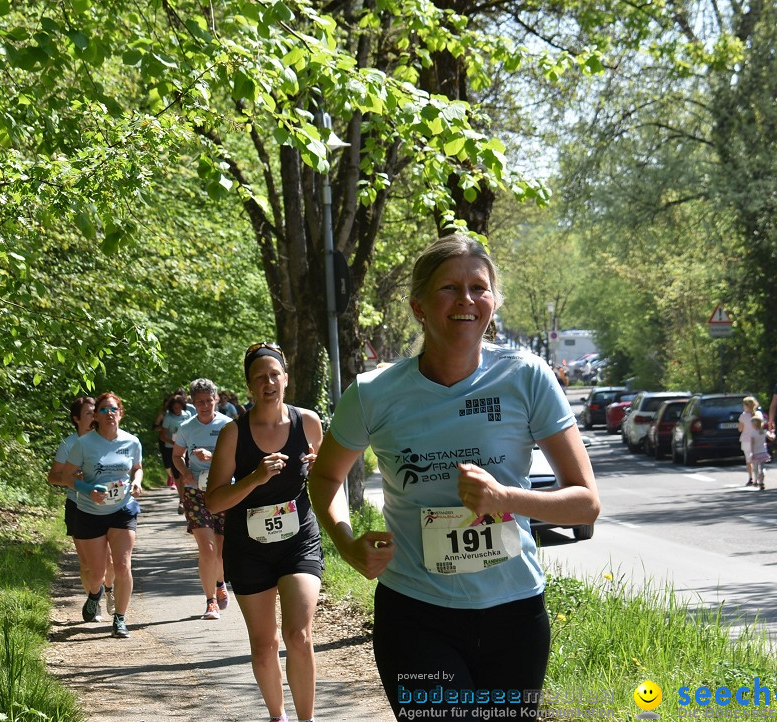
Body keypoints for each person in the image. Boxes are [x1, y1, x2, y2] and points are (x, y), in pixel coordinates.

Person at [307, 233, 600, 721]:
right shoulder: (375, 393)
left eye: (478, 288)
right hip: (416, 615)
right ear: (418, 306)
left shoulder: (526, 376)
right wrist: (345, 542)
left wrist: (504, 496)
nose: (466, 300)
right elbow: (324, 479)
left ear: (493, 302)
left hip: (515, 614)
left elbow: (585, 503)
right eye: (449, 288)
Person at [206, 342, 325, 722]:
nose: (269, 382)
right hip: (248, 548)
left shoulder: (308, 422)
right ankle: (278, 716)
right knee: (263, 644)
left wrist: (319, 465)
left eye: (274, 374)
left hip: (298, 541)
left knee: (298, 634)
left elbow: (326, 477)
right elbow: (214, 502)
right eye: (260, 378)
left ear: (286, 379)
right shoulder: (233, 434)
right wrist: (255, 478)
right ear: (249, 387)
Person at [61, 392, 143, 638]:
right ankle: (95, 594)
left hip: (123, 509)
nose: (109, 413)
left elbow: (137, 468)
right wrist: (88, 489)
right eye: (104, 410)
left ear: (120, 413)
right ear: (95, 415)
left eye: (114, 409)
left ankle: (119, 619)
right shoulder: (84, 444)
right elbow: (67, 476)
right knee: (96, 573)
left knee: (122, 565)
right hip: (90, 511)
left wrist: (137, 483)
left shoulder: (132, 442)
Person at [47, 396, 118, 618]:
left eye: (94, 412)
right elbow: (53, 477)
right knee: (87, 562)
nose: (94, 416)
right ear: (76, 419)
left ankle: (109, 591)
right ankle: (93, 600)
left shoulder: (109, 440)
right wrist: (75, 477)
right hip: (78, 505)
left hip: (109, 505)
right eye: (88, 413)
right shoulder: (69, 444)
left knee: (111, 559)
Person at [172, 378, 232, 621]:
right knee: (207, 548)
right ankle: (210, 603)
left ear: (216, 400)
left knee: (219, 549)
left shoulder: (229, 426)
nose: (205, 406)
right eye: (200, 402)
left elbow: (238, 457)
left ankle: (220, 582)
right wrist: (186, 474)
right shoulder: (187, 428)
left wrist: (213, 457)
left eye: (209, 401)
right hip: (196, 493)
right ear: (193, 403)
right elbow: (177, 456)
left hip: (224, 490)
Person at [161, 394, 194, 513]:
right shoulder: (168, 418)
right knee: (178, 475)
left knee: (187, 473)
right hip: (172, 449)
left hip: (187, 448)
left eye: (179, 407)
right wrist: (174, 442)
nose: (177, 410)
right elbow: (163, 436)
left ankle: (188, 498)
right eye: (175, 408)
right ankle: (181, 499)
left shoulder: (188, 415)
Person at [738, 396, 761, 486]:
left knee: (749, 460)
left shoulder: (743, 416)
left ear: (746, 406)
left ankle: (751, 478)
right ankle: (758, 477)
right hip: (757, 440)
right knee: (758, 459)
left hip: (746, 440)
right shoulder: (759, 414)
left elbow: (740, 429)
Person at [747, 413, 772, 491]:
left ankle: (756, 480)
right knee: (762, 467)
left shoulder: (752, 433)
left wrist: (751, 452)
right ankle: (762, 479)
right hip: (763, 452)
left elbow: (751, 444)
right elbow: (771, 437)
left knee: (755, 468)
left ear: (754, 425)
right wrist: (773, 433)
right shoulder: (764, 432)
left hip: (755, 453)